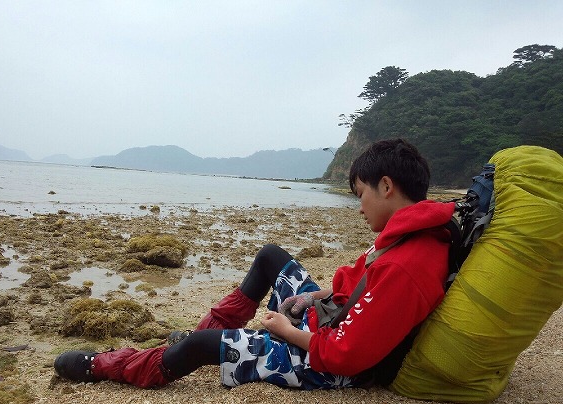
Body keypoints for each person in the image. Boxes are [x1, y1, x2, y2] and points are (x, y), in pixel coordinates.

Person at [54, 138, 455, 390]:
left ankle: (108, 366)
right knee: (269, 256)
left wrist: (287, 331)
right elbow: (360, 292)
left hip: (326, 365)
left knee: (200, 348)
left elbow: (345, 355)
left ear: (386, 186)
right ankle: (206, 333)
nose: (360, 207)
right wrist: (315, 295)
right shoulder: (407, 236)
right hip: (329, 319)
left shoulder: (405, 267)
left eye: (361, 194)